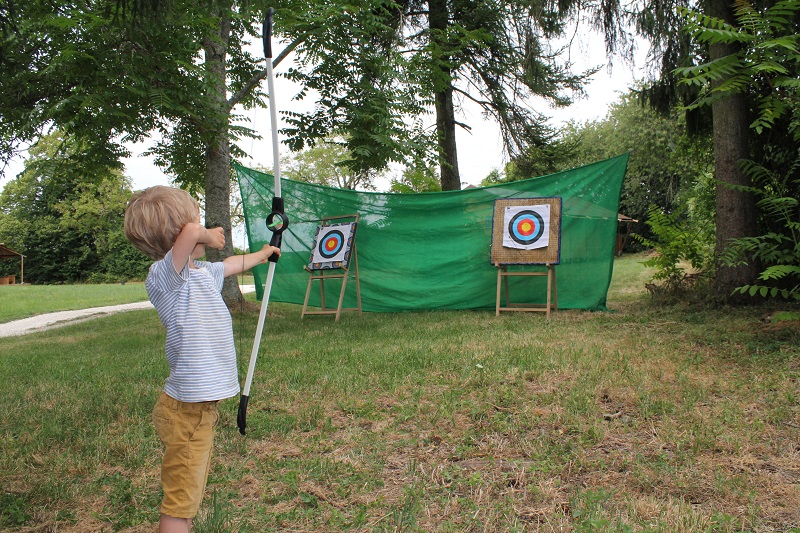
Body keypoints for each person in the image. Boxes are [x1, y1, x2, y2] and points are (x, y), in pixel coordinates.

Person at [123, 185, 280, 533]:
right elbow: (195, 234)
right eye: (194, 221)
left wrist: (264, 253)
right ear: (180, 232)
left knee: (188, 492)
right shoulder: (165, 277)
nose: (202, 228)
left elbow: (229, 265)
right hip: (185, 413)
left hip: (197, 410)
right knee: (181, 500)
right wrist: (207, 234)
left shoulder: (198, 274)